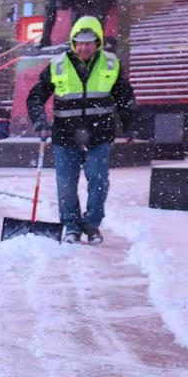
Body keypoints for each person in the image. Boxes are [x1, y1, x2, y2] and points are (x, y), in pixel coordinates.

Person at [27, 15, 135, 245]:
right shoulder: (58, 65)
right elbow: (35, 96)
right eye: (79, 42)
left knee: (98, 181)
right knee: (66, 185)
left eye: (89, 42)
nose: (84, 47)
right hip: (65, 136)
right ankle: (72, 227)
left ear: (98, 42)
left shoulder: (111, 63)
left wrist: (130, 125)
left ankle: (92, 225)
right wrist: (40, 120)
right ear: (73, 42)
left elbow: (125, 98)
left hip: (99, 135)